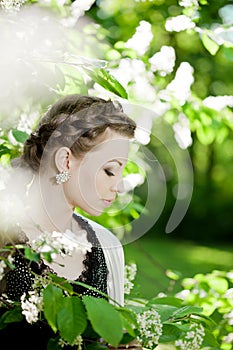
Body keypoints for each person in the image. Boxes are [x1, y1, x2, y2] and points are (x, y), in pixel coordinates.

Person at [0, 94, 140, 349]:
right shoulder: (4, 237)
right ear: (65, 160)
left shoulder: (107, 249)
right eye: (110, 170)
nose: (118, 186)